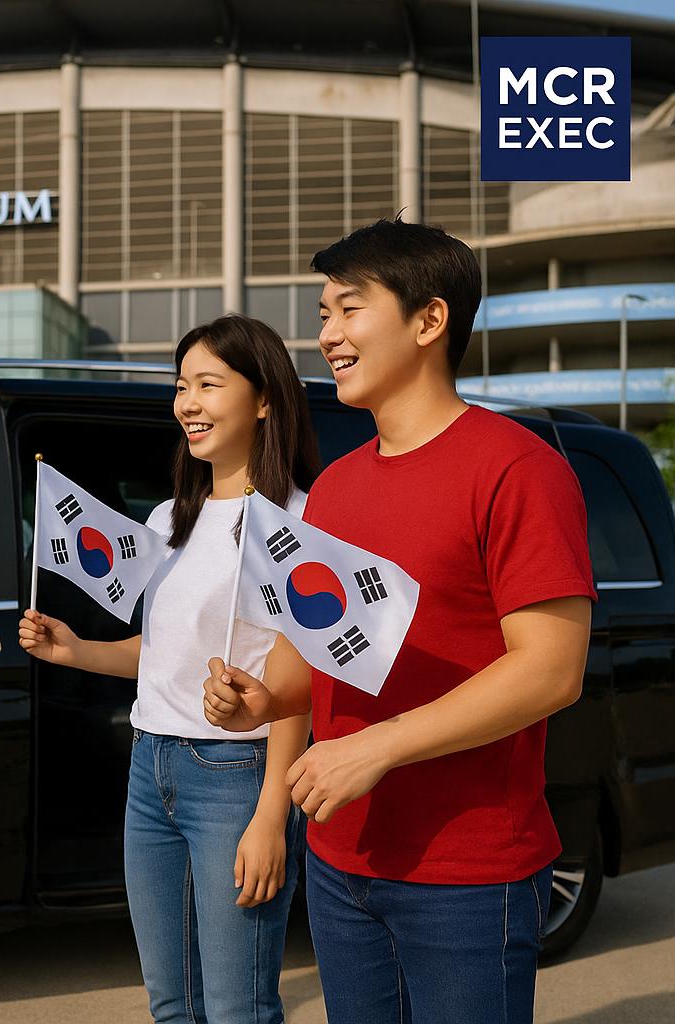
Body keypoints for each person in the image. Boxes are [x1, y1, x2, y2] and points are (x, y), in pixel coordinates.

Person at [203, 219, 595, 1024]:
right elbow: (314, 653)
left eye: (349, 309)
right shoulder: (339, 488)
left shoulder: (518, 468)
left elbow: (551, 671)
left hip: (466, 869)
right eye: (321, 315)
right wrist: (259, 699)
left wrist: (375, 748)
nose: (327, 336)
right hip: (343, 857)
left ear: (429, 320)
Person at [20, 314, 318, 1023]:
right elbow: (163, 654)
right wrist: (76, 650)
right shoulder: (166, 520)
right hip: (150, 769)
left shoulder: (299, 523)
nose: (188, 403)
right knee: (171, 1005)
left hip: (237, 778)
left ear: (265, 398)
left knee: (238, 1009)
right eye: (182, 386)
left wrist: (273, 813)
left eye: (209, 384)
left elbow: (300, 684)